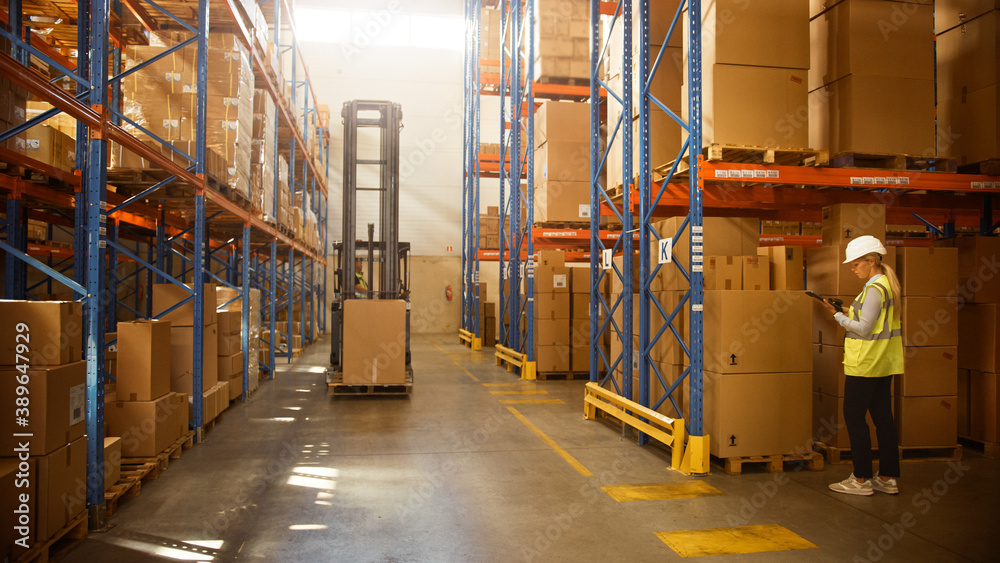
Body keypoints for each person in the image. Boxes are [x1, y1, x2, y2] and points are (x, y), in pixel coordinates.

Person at [821, 236, 903, 496]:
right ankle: (888, 477)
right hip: (882, 363)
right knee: (883, 419)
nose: (853, 268)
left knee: (855, 419)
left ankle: (860, 480)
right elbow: (871, 317)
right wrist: (843, 308)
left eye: (856, 263)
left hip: (865, 364)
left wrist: (836, 316)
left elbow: (864, 328)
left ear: (871, 261)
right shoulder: (886, 286)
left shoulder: (874, 289)